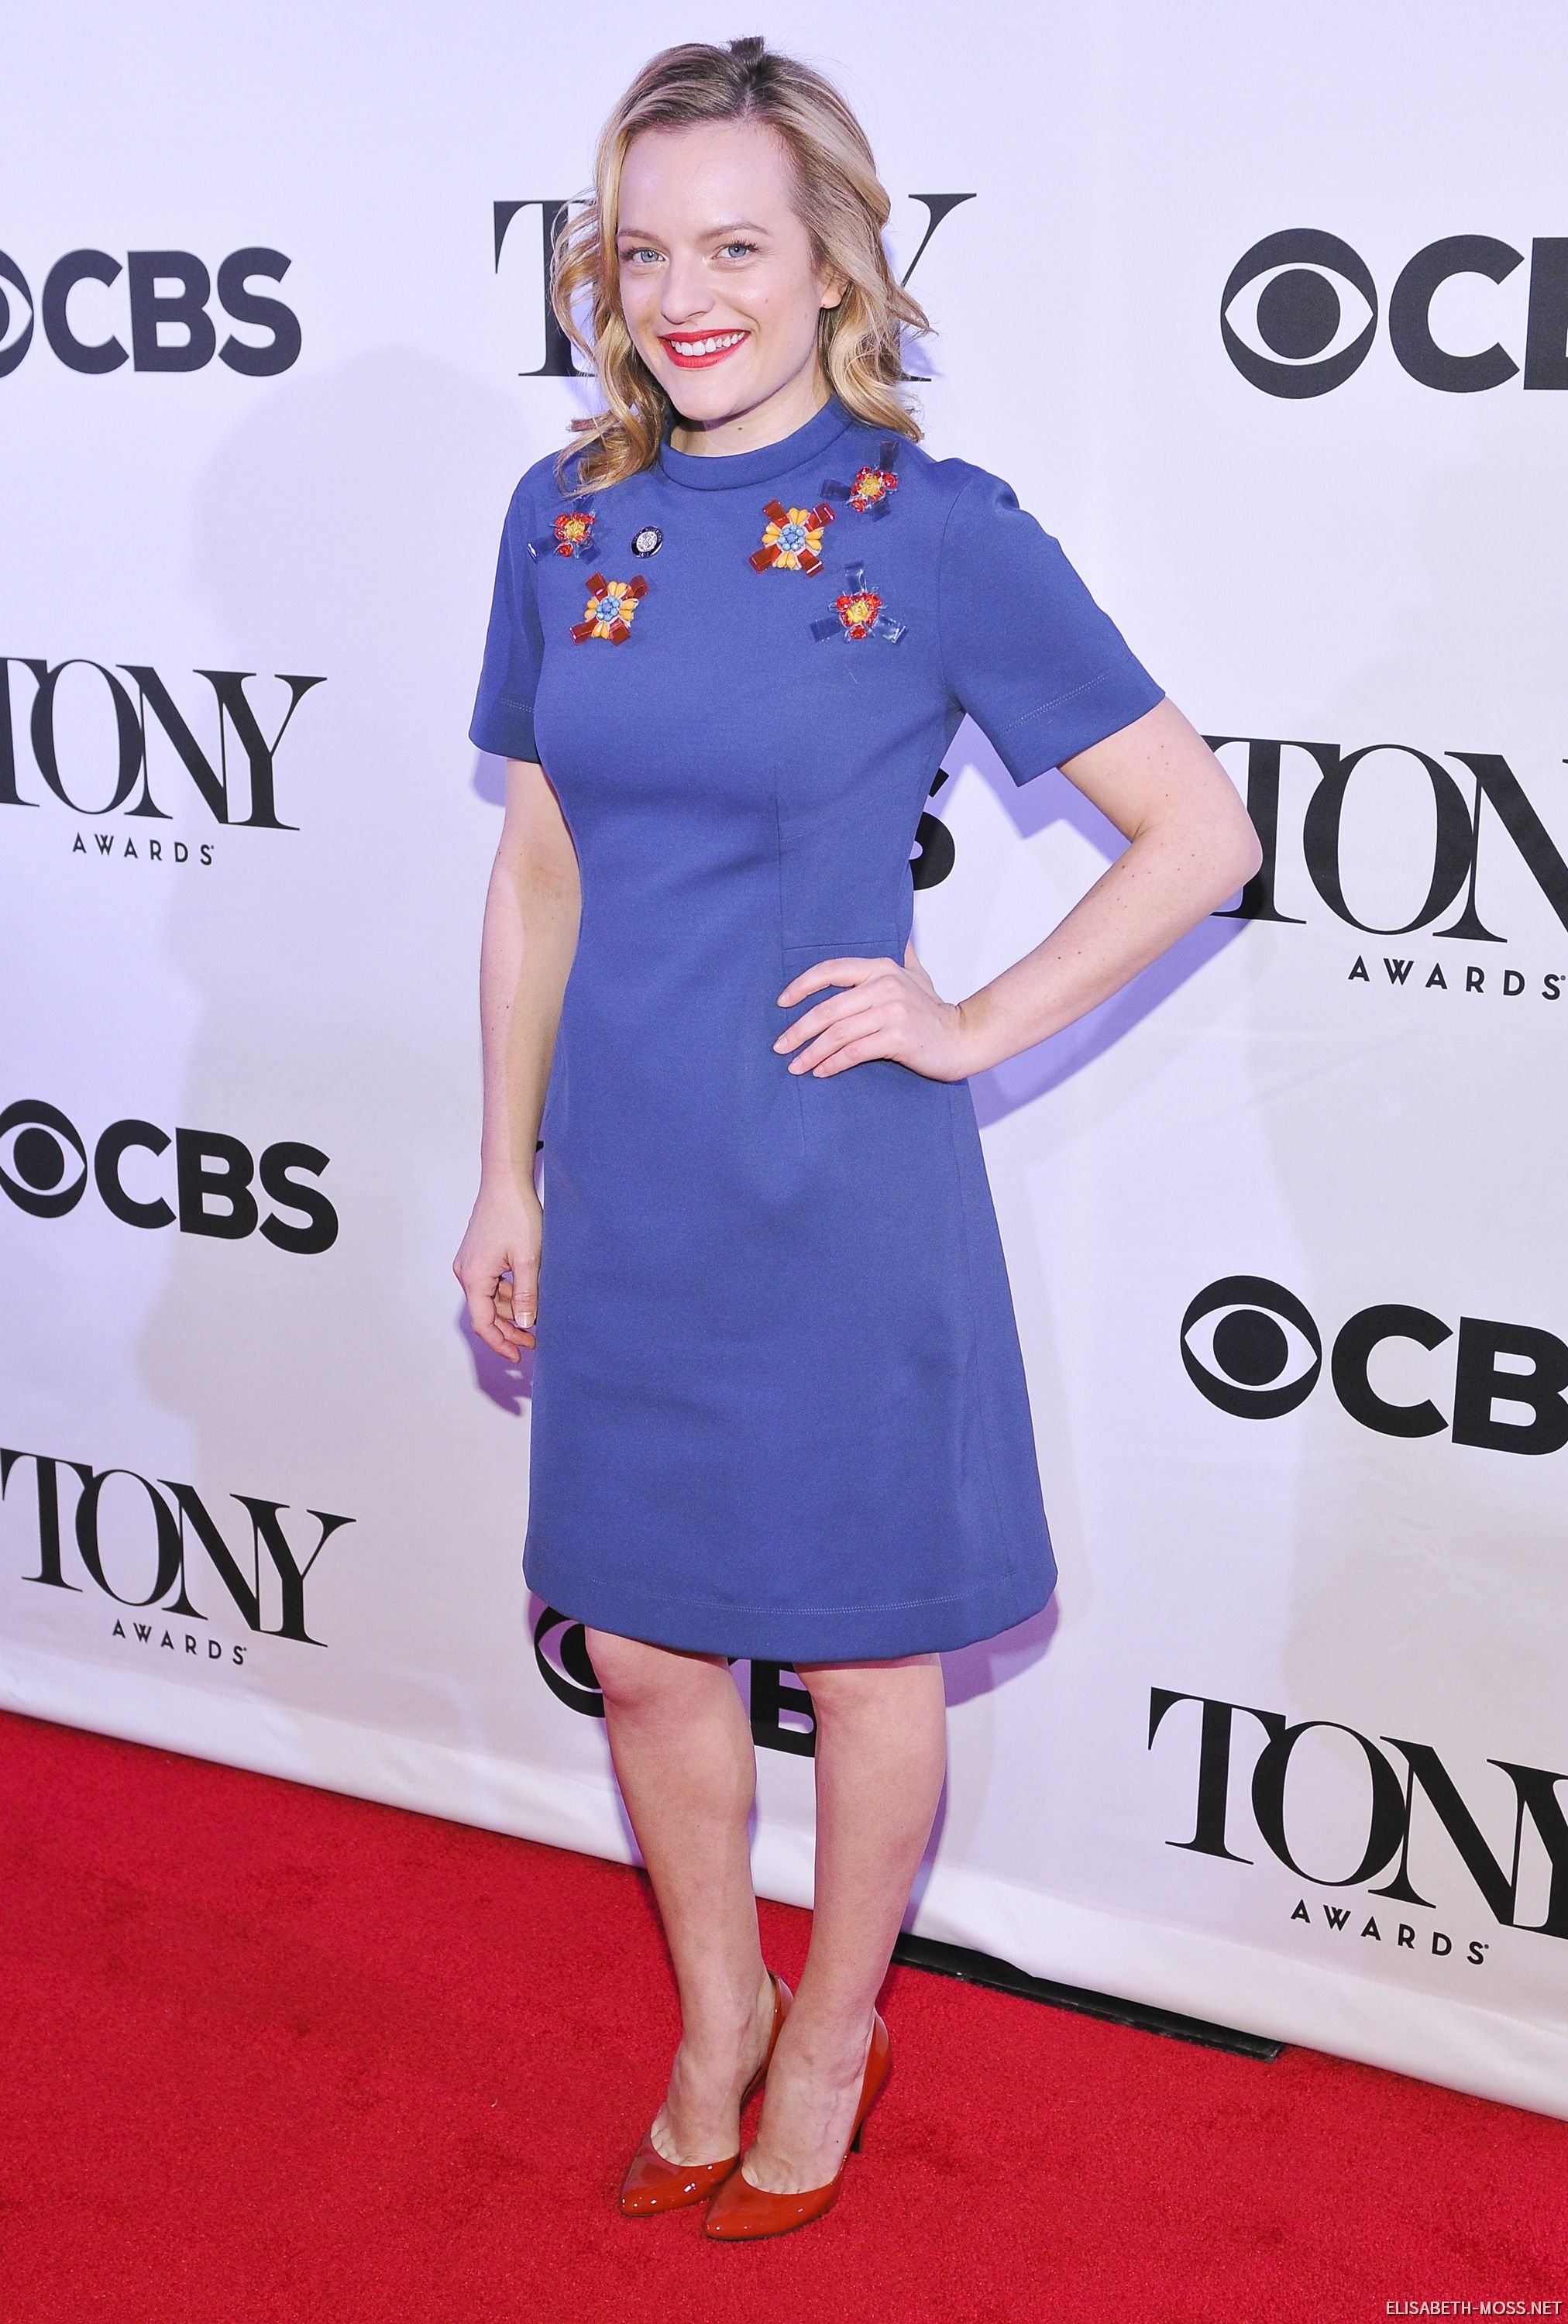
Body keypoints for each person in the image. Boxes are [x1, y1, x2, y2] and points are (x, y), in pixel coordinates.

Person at [455, 35, 1261, 2241]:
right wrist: (507, 1168)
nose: (684, 294)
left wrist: (972, 1014)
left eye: (737, 245)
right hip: (623, 1175)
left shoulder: (939, 533)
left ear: (835, 265)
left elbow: (1199, 831)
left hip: (831, 1182)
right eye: (641, 252)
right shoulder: (568, 519)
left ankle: (833, 2030)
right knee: (635, 1645)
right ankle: (715, 2016)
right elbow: (539, 871)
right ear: (596, 279)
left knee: (857, 1652)